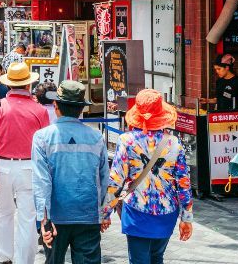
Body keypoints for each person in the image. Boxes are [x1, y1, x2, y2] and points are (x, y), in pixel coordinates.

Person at [106, 90, 193, 264]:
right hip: (167, 211)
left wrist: (105, 212)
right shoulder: (174, 143)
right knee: (157, 257)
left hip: (137, 210)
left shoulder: (127, 140)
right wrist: (186, 218)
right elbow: (184, 184)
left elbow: (116, 180)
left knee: (139, 259)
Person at [33, 81, 110, 264]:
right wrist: (104, 213)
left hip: (56, 217)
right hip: (88, 215)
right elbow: (104, 178)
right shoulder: (96, 137)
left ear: (56, 106)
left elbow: (42, 181)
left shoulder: (42, 137)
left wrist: (43, 220)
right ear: (81, 109)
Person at [0, 61, 49, 264]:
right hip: (30, 167)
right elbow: (44, 146)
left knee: (2, 214)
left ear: (9, 84)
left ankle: (3, 257)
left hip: (3, 165)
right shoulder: (39, 110)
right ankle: (25, 260)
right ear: (28, 85)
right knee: (28, 218)